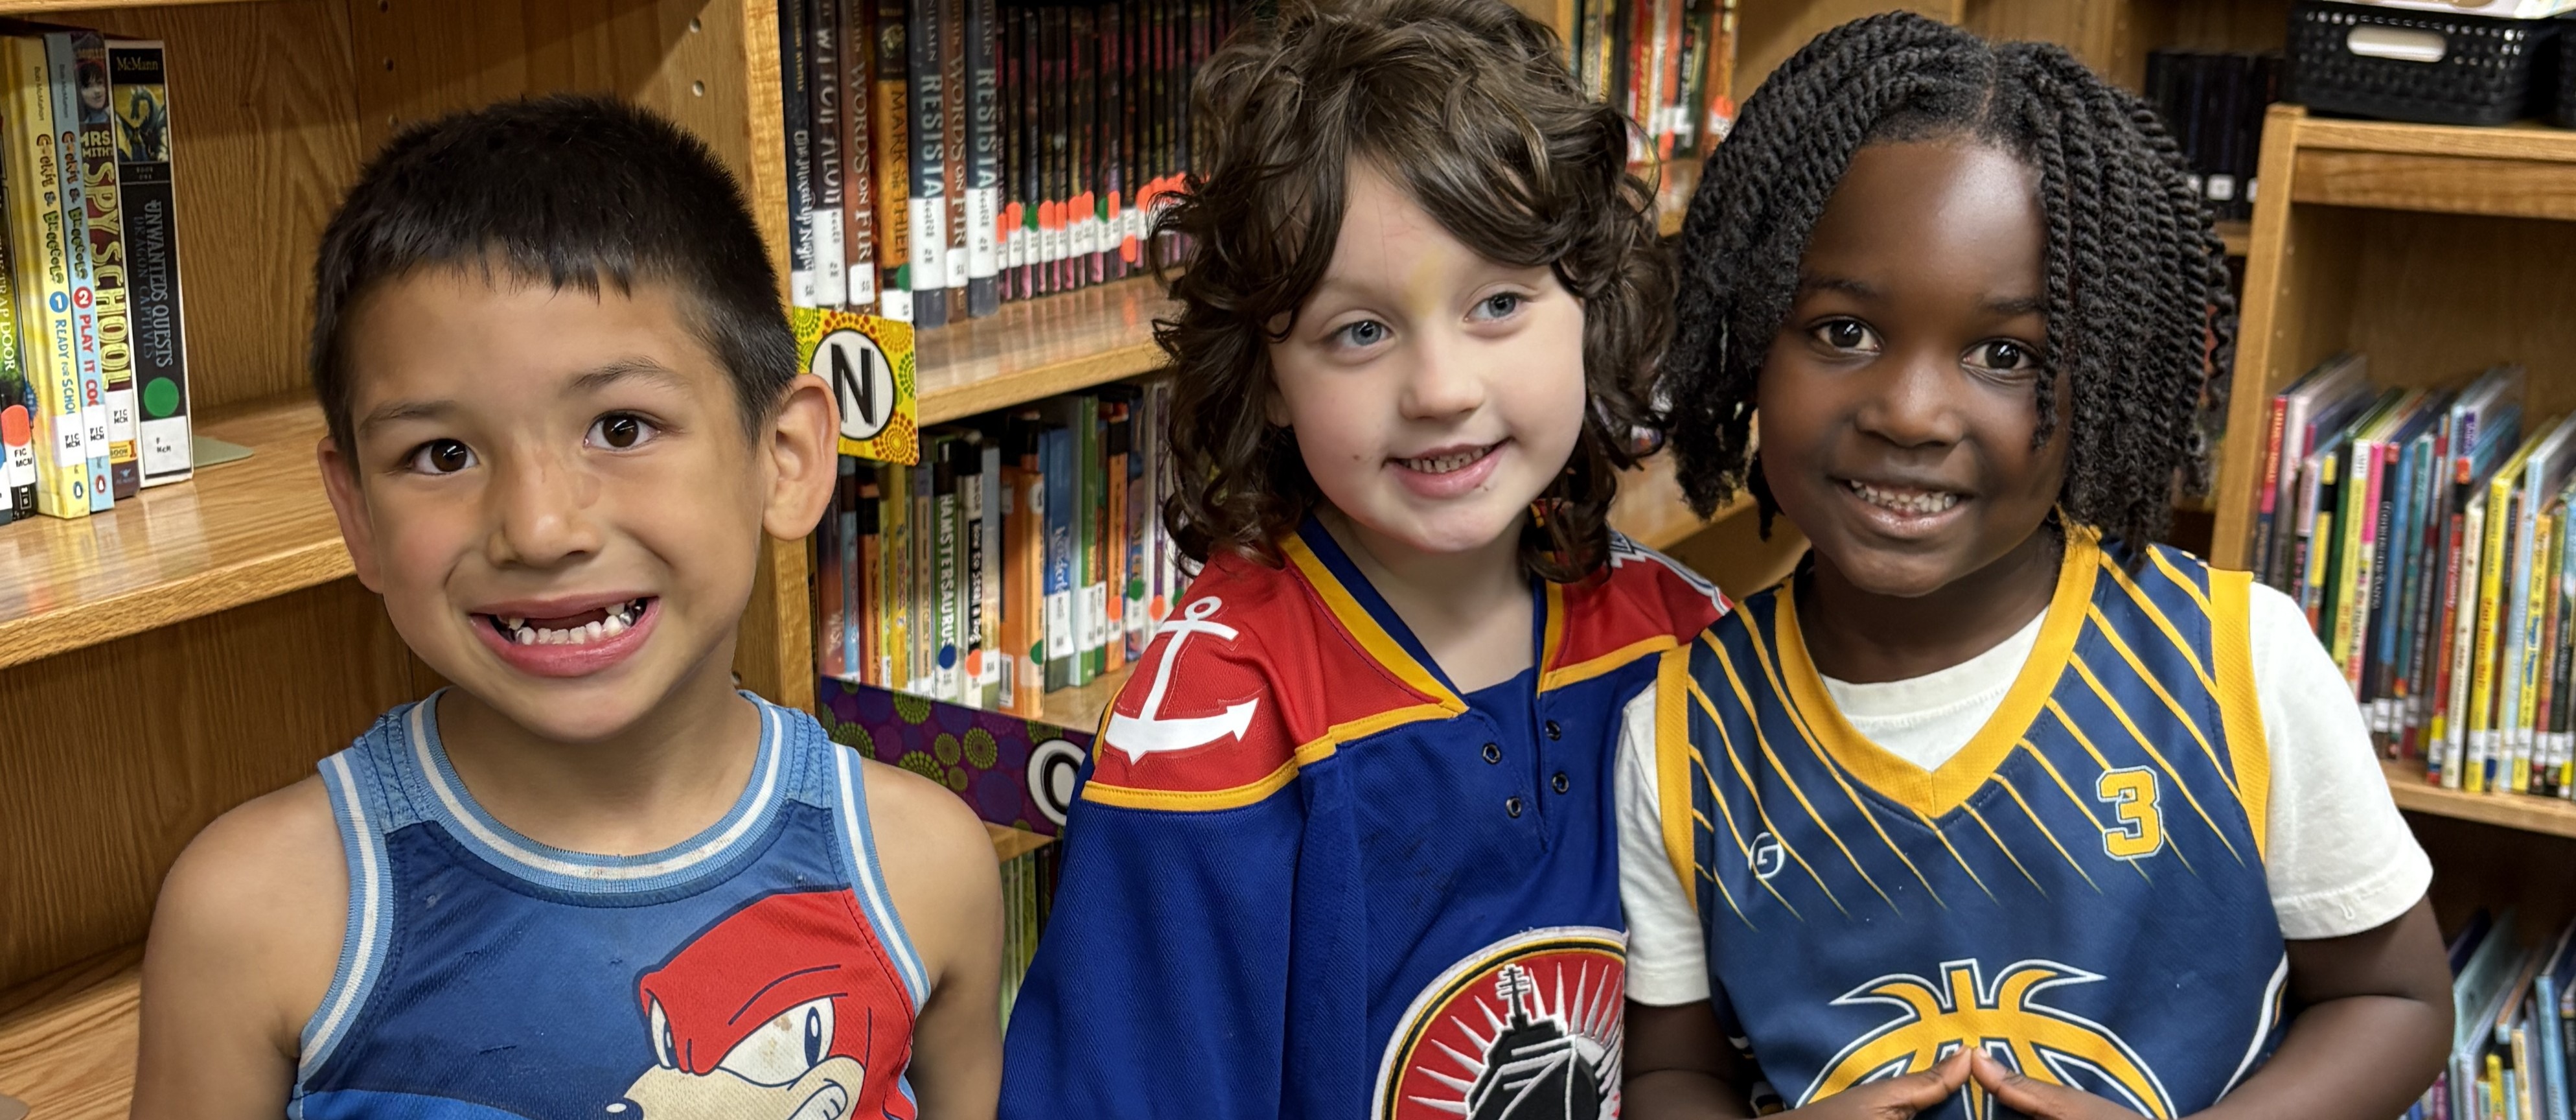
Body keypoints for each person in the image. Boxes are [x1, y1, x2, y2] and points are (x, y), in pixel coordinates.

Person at [1620, 14, 2455, 1120]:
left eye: (2006, 356)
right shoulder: (1683, 735)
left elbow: (2395, 1001)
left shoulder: (2238, 664)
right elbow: (1672, 1071)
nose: (1911, 412)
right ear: (1743, 336)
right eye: (1840, 331)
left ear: (2107, 382)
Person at [130, 95, 1002, 1120]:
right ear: (355, 510)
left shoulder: (924, 869)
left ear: (787, 458)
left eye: (622, 427)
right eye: (441, 455)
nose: (540, 529)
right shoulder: (252, 916)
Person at [997, 0, 1728, 1114]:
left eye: (1498, 303)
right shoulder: (1210, 724)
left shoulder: (1689, 639)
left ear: (1589, 310)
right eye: (1361, 331)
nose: (1440, 389)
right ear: (1270, 377)